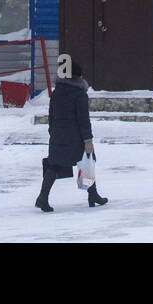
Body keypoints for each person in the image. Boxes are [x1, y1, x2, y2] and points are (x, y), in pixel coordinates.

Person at [35, 58, 107, 212]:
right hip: (76, 137)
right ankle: (92, 195)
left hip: (58, 135)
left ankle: (42, 197)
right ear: (76, 77)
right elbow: (83, 120)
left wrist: (53, 132)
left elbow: (51, 116)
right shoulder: (79, 94)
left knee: (54, 164)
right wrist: (88, 140)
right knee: (87, 160)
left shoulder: (57, 93)